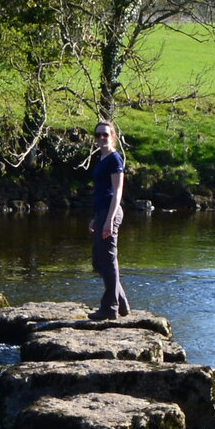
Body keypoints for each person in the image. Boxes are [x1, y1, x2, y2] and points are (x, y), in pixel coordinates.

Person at [89, 119, 129, 320]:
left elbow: (117, 191)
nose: (102, 138)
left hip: (111, 212)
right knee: (98, 261)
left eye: (105, 134)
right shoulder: (102, 158)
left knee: (108, 260)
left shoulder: (114, 159)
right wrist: (96, 217)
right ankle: (122, 304)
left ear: (112, 136)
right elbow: (100, 192)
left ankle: (110, 308)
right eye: (98, 135)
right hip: (101, 212)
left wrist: (109, 220)